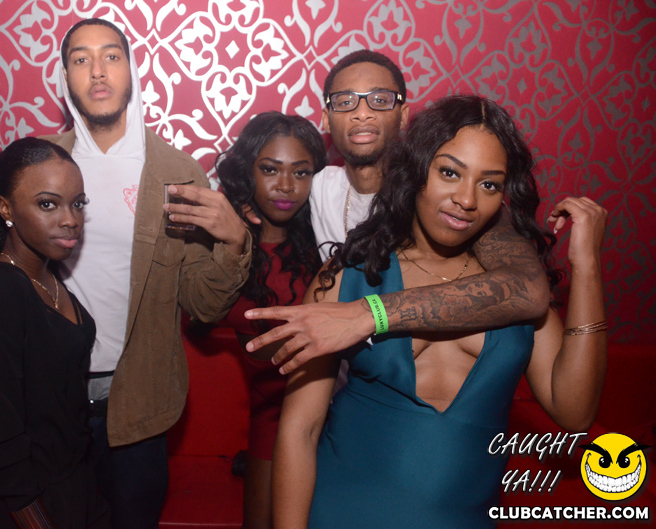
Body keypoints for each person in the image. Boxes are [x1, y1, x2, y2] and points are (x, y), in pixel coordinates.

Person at [0, 18, 251, 529]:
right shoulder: (41, 164)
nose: (98, 70)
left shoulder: (177, 174)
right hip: (44, 409)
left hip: (137, 411)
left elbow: (204, 303)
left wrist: (235, 243)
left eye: (111, 55)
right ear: (65, 78)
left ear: (132, 70)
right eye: (81, 59)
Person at [272, 95, 608, 528]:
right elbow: (299, 431)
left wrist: (588, 267)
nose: (466, 199)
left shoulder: (517, 291)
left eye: (489, 184)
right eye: (450, 172)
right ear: (416, 171)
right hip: (341, 512)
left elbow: (575, 412)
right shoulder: (350, 276)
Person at [244, 51, 552, 375]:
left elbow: (529, 288)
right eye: (346, 101)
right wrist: (240, 209)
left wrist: (368, 314)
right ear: (326, 118)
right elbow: (271, 189)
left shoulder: (439, 198)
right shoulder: (316, 185)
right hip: (334, 384)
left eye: (380, 100)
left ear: (404, 116)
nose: (362, 113)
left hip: (404, 379)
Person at [0, 137, 108, 528]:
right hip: (30, 499)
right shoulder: (1, 291)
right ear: (6, 208)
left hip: (74, 482)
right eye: (47, 204)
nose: (70, 219)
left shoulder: (48, 277)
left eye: (78, 203)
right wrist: (35, 519)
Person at [216, 112, 325, 529]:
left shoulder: (325, 242)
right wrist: (234, 239)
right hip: (270, 413)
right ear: (248, 170)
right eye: (270, 169)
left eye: (301, 172)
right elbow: (198, 311)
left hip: (336, 410)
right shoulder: (223, 239)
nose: (285, 185)